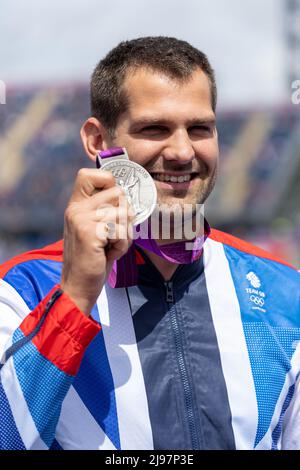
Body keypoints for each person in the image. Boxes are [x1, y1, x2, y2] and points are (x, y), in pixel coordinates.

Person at [0, 36, 299, 451]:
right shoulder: (20, 290)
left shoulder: (286, 293)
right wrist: (73, 300)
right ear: (98, 141)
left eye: (200, 129)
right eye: (154, 128)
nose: (181, 151)